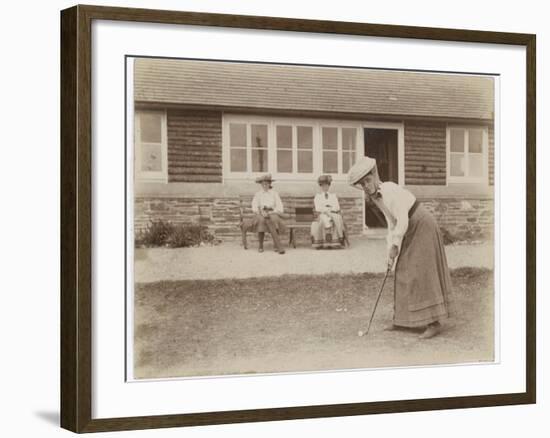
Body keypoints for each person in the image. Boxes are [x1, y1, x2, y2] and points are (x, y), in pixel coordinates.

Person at [348, 157, 452, 339]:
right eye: (362, 184)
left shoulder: (388, 190)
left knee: (420, 271)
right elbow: (391, 223)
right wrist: (390, 251)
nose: (366, 186)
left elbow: (402, 218)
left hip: (422, 224)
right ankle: (403, 320)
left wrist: (396, 244)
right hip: (408, 227)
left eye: (367, 180)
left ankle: (434, 323)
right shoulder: (376, 198)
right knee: (402, 270)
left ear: (374, 176)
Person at [251, 174, 286, 254]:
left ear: (270, 184)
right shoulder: (258, 194)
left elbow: (279, 206)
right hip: (261, 213)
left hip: (272, 212)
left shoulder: (274, 194)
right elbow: (254, 206)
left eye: (266, 184)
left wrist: (272, 212)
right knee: (261, 221)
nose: (265, 186)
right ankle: (260, 245)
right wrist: (260, 212)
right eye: (263, 184)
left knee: (274, 220)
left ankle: (276, 245)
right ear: (261, 185)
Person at [311, 175, 346, 249]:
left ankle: (339, 239)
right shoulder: (318, 196)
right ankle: (325, 243)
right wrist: (326, 211)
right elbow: (318, 208)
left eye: (326, 186)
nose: (325, 188)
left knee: (337, 218)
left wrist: (330, 210)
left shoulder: (333, 196)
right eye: (323, 186)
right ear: (320, 186)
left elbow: (337, 207)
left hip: (332, 213)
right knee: (325, 219)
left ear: (329, 186)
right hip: (322, 213)